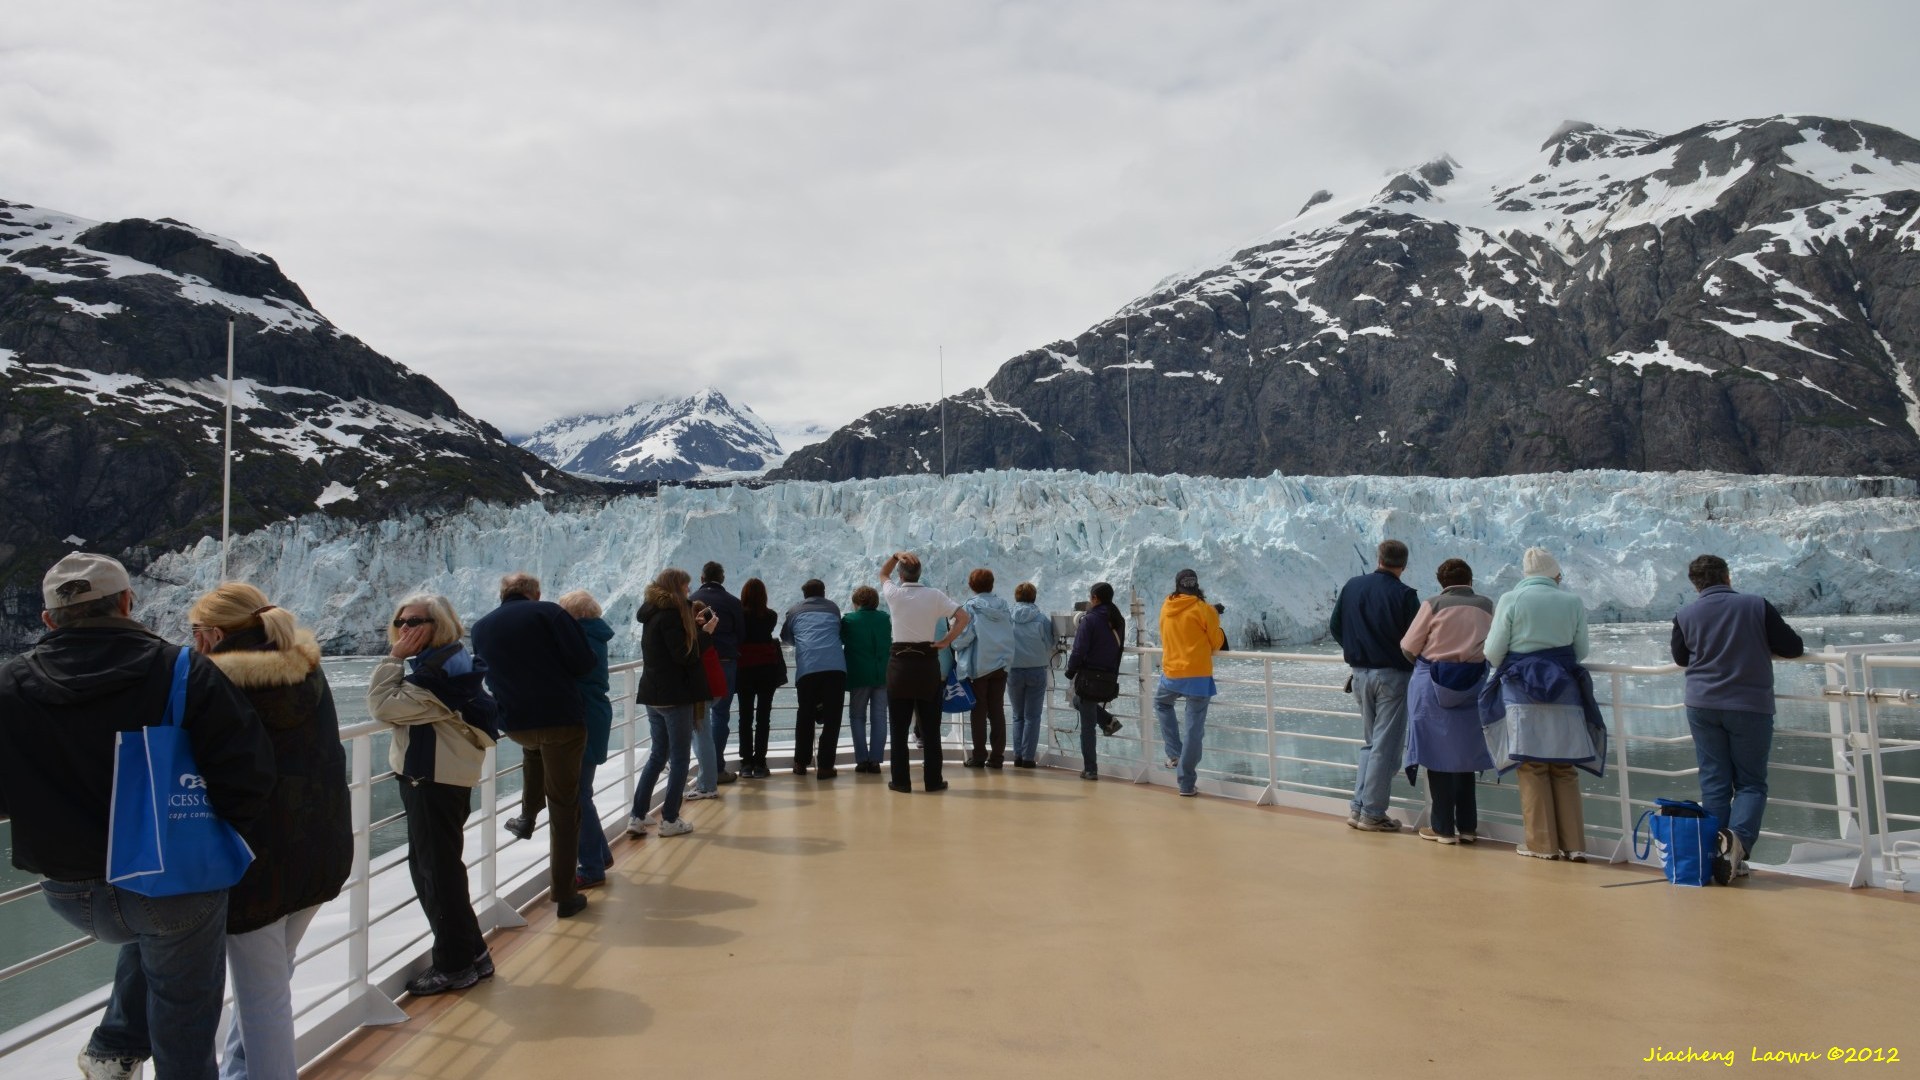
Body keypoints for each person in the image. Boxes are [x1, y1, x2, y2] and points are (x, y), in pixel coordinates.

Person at [0, 554, 273, 1080]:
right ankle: (122, 1046)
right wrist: (214, 838)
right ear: (128, 603)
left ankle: (113, 1049)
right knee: (184, 1019)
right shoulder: (184, 670)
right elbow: (249, 775)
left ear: (49, 619)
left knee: (147, 935)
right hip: (171, 882)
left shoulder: (9, 685)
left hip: (71, 891)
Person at [189, 583, 351, 1080]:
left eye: (195, 633)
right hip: (320, 852)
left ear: (213, 635)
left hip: (257, 865)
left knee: (264, 1001)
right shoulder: (307, 670)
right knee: (273, 977)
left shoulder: (216, 687)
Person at [367, 594, 500, 994]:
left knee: (435, 874)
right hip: (443, 776)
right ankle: (473, 952)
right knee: (440, 869)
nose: (405, 628)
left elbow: (381, 705)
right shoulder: (451, 660)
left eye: (416, 621)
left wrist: (392, 660)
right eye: (401, 621)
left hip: (432, 778)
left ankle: (454, 965)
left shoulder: (435, 674)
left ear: (438, 623)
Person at [1670, 554, 1805, 879]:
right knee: (1750, 783)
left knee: (1715, 782)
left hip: (1702, 705)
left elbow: (1679, 657)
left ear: (1695, 583)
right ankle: (1737, 845)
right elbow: (1793, 647)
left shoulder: (1685, 614)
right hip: (1748, 704)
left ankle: (1718, 854)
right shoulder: (1756, 606)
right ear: (1727, 577)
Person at [470, 572, 596, 918]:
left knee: (533, 750)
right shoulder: (549, 613)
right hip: (560, 720)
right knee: (565, 807)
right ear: (534, 593)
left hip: (517, 723)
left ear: (503, 592)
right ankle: (565, 894)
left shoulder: (480, 627)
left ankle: (527, 814)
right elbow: (584, 663)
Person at [1482, 548, 1606, 862]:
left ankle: (1542, 845)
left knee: (1532, 765)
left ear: (1526, 573)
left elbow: (1494, 650)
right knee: (1564, 766)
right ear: (1555, 574)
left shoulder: (1512, 599)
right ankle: (1574, 844)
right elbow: (1581, 649)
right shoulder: (1571, 602)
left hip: (1522, 691)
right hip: (1565, 687)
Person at [1398, 559, 1497, 845]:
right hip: (1471, 685)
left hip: (1432, 686)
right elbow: (1495, 643)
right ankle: (1467, 827)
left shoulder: (1433, 604)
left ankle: (1442, 828)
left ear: (1441, 582)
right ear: (1471, 578)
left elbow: (1408, 645)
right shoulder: (1487, 605)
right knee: (1465, 755)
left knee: (1436, 755)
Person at [1331, 540, 1421, 831]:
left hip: (1359, 675)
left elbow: (1335, 625)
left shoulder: (1352, 586)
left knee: (1371, 743)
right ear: (1403, 565)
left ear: (1379, 558)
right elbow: (1417, 638)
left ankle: (1358, 808)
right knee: (1386, 746)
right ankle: (1372, 812)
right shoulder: (1406, 595)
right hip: (1393, 677)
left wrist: (1356, 649)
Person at [629, 568, 717, 837]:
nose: (689, 592)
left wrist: (695, 626)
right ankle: (669, 818)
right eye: (686, 587)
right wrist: (706, 634)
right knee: (679, 758)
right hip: (675, 696)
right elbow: (684, 655)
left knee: (658, 754)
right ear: (677, 587)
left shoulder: (653, 613)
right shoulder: (670, 616)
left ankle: (638, 815)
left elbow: (671, 649)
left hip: (653, 695)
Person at [878, 552, 970, 792]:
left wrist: (895, 555)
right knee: (931, 729)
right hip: (927, 666)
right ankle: (933, 780)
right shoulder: (934, 595)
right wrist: (945, 640)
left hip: (899, 667)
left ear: (901, 575)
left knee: (898, 729)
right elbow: (963, 617)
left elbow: (882, 573)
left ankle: (900, 781)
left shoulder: (894, 594)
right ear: (920, 574)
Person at [555, 590, 616, 889]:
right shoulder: (593, 635)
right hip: (593, 715)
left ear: (574, 615)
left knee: (578, 795)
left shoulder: (581, 639)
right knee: (583, 792)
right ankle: (600, 855)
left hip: (584, 718)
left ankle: (591, 866)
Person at [1155, 569, 1226, 797]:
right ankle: (1186, 783)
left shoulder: (1167, 606)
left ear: (1178, 586)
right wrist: (1216, 618)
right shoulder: (1204, 610)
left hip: (1172, 673)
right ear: (1196, 585)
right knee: (1194, 729)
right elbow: (1216, 642)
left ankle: (1174, 752)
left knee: (1162, 704)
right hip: (1197, 675)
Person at [949, 568, 1015, 768]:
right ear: (992, 584)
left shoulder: (971, 607)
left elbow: (966, 636)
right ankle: (997, 758)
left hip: (980, 666)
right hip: (1001, 664)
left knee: (978, 710)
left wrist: (953, 642)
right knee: (997, 710)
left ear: (971, 585)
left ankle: (978, 756)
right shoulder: (1003, 606)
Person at [782, 579, 848, 776]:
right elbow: (838, 631)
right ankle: (826, 767)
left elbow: (786, 637)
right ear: (824, 592)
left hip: (808, 668)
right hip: (835, 667)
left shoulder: (794, 611)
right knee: (833, 717)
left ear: (805, 595)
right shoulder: (833, 608)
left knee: (805, 715)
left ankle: (800, 764)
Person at [1066, 583, 1126, 780]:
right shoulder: (1118, 619)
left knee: (1087, 725)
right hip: (1108, 678)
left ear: (1095, 598)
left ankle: (1090, 769)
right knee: (1080, 705)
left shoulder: (1090, 620)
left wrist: (1070, 670)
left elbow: (1079, 649)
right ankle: (1108, 721)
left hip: (1088, 679)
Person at [691, 562, 744, 783]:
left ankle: (705, 771)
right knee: (721, 714)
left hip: (697, 664)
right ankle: (717, 768)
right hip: (725, 663)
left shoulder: (691, 600)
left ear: (702, 578)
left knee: (698, 718)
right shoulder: (733, 602)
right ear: (722, 579)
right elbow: (741, 634)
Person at [735, 577, 787, 779]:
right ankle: (760, 763)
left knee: (744, 717)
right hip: (767, 670)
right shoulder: (771, 616)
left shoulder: (739, 616)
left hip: (745, 669)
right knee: (763, 717)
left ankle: (746, 763)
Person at [841, 585, 893, 773]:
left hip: (859, 675)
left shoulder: (848, 620)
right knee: (880, 717)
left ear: (857, 602)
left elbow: (841, 639)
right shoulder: (884, 618)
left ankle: (862, 760)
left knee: (857, 716)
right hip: (883, 675)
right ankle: (876, 761)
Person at [1007, 582, 1055, 769]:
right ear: (1034, 597)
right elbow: (1049, 643)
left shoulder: (1008, 618)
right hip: (1036, 670)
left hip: (1013, 671)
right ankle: (1028, 758)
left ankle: (1017, 756)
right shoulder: (1042, 620)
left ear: (1016, 597)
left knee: (1017, 716)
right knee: (1032, 716)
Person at [685, 600, 725, 801]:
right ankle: (706, 782)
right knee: (699, 735)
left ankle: (707, 785)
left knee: (701, 737)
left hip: (703, 692)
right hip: (711, 689)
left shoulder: (699, 637)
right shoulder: (704, 636)